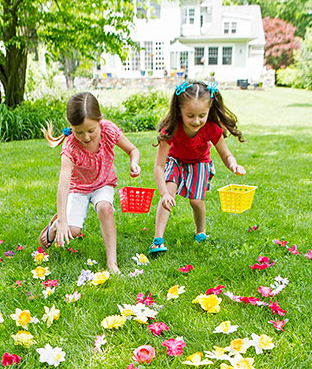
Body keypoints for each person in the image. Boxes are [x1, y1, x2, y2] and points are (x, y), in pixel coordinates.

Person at [40, 92, 141, 273]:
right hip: (78, 189)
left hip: (103, 183)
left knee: (105, 208)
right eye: (79, 132)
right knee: (73, 231)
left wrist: (134, 163)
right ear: (71, 126)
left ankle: (112, 262)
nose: (86, 137)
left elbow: (132, 149)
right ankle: (55, 224)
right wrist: (62, 221)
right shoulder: (70, 147)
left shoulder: (109, 130)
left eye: (91, 131)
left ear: (100, 120)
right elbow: (63, 186)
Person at [149, 80, 246, 254]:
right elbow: (159, 166)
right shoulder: (170, 129)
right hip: (175, 160)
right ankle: (158, 240)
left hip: (200, 162)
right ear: (179, 110)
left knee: (196, 201)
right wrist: (163, 193)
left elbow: (225, 154)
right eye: (190, 115)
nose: (196, 121)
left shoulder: (211, 129)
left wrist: (233, 164)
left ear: (209, 110)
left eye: (202, 115)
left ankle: (200, 232)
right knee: (169, 193)